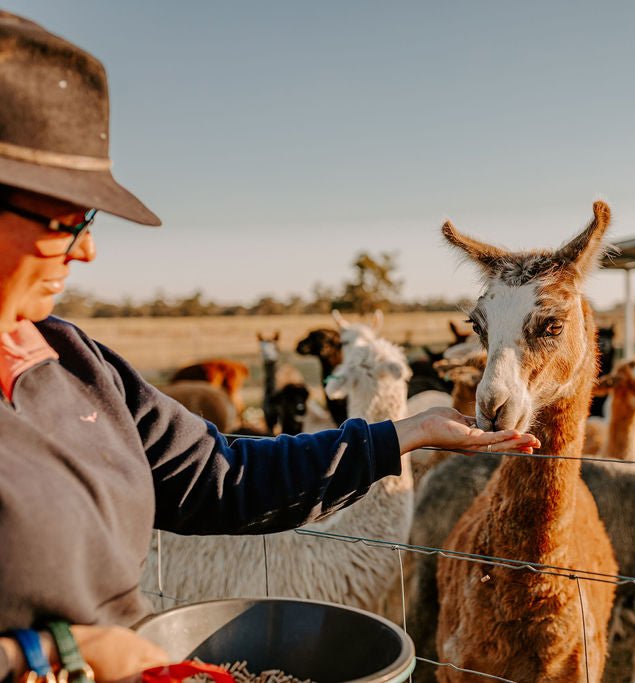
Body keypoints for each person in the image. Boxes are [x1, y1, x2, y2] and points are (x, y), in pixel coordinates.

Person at [0, 12, 539, 683]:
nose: (88, 247)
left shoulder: (78, 366)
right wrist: (44, 656)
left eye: (91, 220)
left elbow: (219, 476)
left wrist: (403, 434)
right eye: (65, 217)